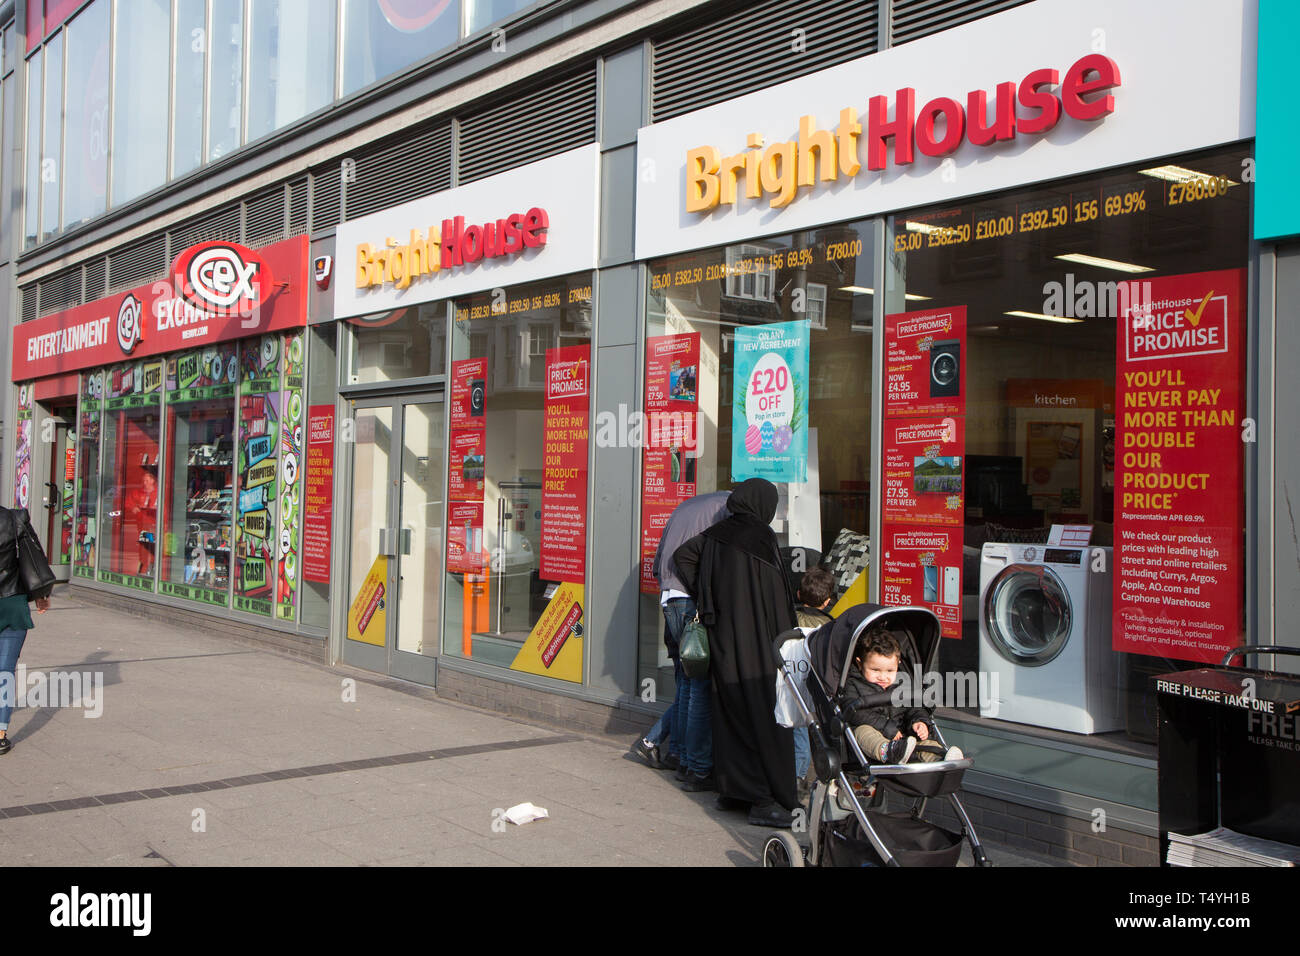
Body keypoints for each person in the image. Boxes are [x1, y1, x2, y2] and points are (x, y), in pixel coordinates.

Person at [674, 478, 798, 827]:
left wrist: (708, 598)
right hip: (758, 643)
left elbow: (682, 557)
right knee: (764, 715)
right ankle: (764, 798)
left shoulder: (717, 534)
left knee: (729, 709)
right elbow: (777, 596)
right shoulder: (760, 537)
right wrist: (786, 637)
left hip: (723, 638)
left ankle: (733, 790)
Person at [632, 490, 730, 787]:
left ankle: (677, 753)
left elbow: (660, 557)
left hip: (670, 596)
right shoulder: (725, 509)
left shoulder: (687, 505)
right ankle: (695, 764)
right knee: (699, 684)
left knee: (687, 681)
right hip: (690, 599)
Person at [844, 625, 962, 764]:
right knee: (862, 731)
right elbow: (854, 713)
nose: (883, 677)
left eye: (889, 671)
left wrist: (919, 721)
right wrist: (885, 727)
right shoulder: (853, 683)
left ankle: (941, 757)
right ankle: (889, 751)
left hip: (904, 738)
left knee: (923, 740)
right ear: (860, 663)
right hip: (874, 741)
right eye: (875, 670)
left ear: (898, 665)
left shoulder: (903, 682)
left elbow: (913, 707)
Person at [0, 508, 55, 756]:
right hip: (13, 604)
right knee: (5, 672)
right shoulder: (14, 519)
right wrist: (41, 595)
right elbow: (35, 557)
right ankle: (0, 735)